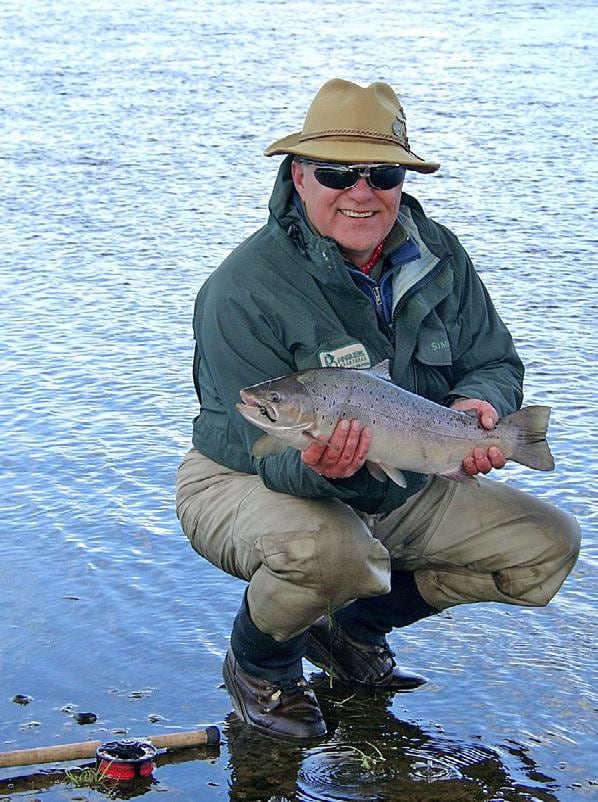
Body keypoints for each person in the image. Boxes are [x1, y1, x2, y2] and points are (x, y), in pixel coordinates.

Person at [176, 79, 581, 740]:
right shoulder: (240, 290)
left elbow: (494, 359)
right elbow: (269, 450)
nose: (361, 192)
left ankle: (349, 632)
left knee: (546, 548)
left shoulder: (439, 254)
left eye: (382, 173)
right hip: (247, 473)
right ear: (299, 176)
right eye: (338, 172)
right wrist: (335, 468)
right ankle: (262, 667)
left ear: (400, 180)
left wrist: (484, 406)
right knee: (331, 551)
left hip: (401, 464)